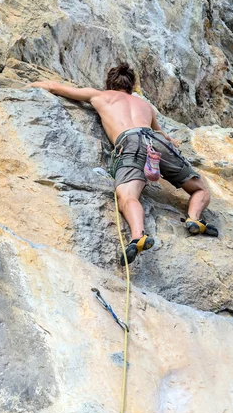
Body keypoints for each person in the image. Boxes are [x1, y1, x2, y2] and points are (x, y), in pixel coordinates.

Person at [27, 63, 217, 265]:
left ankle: (138, 236)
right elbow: (162, 134)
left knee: (127, 196)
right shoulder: (145, 106)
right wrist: (172, 141)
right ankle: (194, 218)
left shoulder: (100, 96)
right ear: (132, 86)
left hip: (130, 143)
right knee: (200, 189)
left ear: (109, 84)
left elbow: (53, 87)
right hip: (156, 142)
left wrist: (28, 86)